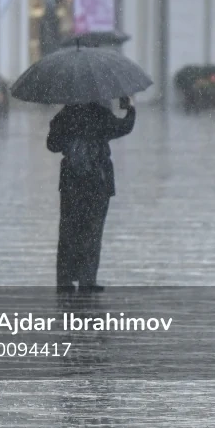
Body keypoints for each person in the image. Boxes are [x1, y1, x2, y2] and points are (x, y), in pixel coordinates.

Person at [46, 96, 136, 291]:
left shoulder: (66, 114)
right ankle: (87, 279)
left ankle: (65, 280)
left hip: (72, 179)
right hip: (97, 180)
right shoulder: (100, 113)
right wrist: (130, 109)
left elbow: (52, 145)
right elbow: (124, 128)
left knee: (69, 230)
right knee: (92, 231)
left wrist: (60, 128)